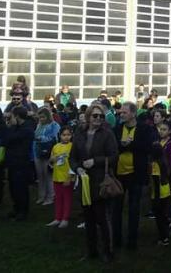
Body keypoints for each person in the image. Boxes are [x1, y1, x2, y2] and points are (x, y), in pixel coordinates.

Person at [71, 103, 118, 262]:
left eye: (101, 116)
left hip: (100, 181)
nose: (98, 119)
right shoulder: (80, 133)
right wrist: (78, 168)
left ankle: (108, 252)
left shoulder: (107, 134)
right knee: (88, 218)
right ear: (89, 116)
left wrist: (95, 161)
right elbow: (73, 157)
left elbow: (113, 157)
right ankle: (91, 251)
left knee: (103, 218)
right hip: (85, 181)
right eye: (95, 116)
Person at [112, 102, 154, 250]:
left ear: (133, 113)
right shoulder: (117, 128)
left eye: (124, 112)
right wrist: (122, 144)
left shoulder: (144, 129)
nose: (121, 115)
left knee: (134, 207)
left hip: (136, 173)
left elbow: (147, 147)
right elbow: (113, 146)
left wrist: (129, 145)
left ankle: (132, 241)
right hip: (119, 174)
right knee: (116, 208)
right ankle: (116, 240)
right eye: (120, 113)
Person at [2, 106, 34, 221]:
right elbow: (5, 140)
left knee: (20, 188)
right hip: (12, 162)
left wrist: (11, 127)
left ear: (17, 116)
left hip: (21, 162)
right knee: (13, 187)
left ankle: (23, 211)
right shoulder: (16, 128)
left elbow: (10, 138)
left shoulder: (27, 129)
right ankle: (16, 208)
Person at [150, 120, 171, 245]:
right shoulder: (158, 142)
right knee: (161, 210)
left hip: (164, 179)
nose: (161, 131)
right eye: (160, 129)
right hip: (159, 179)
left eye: (164, 129)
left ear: (170, 131)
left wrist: (168, 173)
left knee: (161, 209)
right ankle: (169, 226)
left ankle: (164, 235)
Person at [48, 125, 73, 229]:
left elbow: (74, 162)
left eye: (68, 135)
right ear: (60, 135)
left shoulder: (73, 146)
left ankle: (65, 219)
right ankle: (57, 218)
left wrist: (70, 177)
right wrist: (53, 159)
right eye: (64, 135)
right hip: (56, 176)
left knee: (67, 198)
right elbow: (51, 161)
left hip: (67, 177)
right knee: (58, 198)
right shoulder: (55, 146)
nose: (66, 137)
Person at [33, 107, 60, 206]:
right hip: (38, 152)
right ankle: (41, 196)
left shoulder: (54, 125)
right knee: (40, 175)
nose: (41, 119)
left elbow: (55, 138)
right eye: (40, 117)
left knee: (48, 175)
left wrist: (41, 138)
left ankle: (50, 197)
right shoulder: (39, 125)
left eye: (43, 117)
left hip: (49, 153)